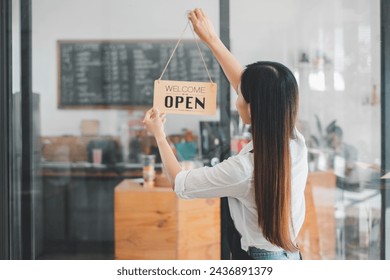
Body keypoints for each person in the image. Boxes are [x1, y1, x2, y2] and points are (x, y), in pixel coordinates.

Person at [143, 8, 308, 260]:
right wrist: (211, 39)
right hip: (290, 256)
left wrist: (159, 135)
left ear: (253, 107)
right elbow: (247, 85)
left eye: (240, 95)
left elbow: (179, 183)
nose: (236, 99)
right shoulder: (296, 144)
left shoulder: (243, 169)